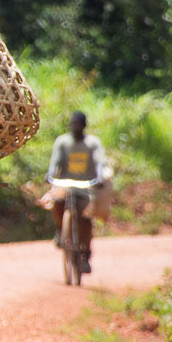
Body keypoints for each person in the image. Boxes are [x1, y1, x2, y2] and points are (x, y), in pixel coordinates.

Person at [46, 111, 107, 273]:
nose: (76, 127)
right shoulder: (63, 142)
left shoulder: (93, 143)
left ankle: (85, 254)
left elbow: (99, 162)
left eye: (79, 124)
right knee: (57, 202)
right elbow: (55, 162)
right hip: (64, 184)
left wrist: (100, 177)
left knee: (86, 219)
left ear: (84, 126)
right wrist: (50, 174)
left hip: (85, 187)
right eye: (73, 124)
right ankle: (61, 229)